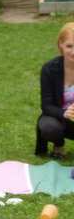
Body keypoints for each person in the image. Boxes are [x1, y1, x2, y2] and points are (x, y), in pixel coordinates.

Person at [35, 22, 74, 158]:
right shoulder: (50, 69)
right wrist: (64, 113)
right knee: (48, 127)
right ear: (60, 45)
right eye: (69, 46)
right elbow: (47, 106)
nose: (73, 52)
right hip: (57, 117)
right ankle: (58, 144)